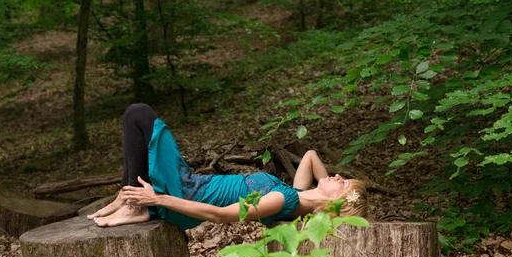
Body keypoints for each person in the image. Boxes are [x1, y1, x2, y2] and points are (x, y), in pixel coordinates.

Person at [87, 103, 367, 228]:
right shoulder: (296, 195)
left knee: (139, 114)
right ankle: (127, 197)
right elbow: (310, 155)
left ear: (336, 203)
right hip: (191, 185)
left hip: (186, 195)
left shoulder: (284, 199)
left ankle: (137, 206)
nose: (338, 175)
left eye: (342, 183)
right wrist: (326, 188)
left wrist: (159, 199)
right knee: (138, 117)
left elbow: (220, 216)